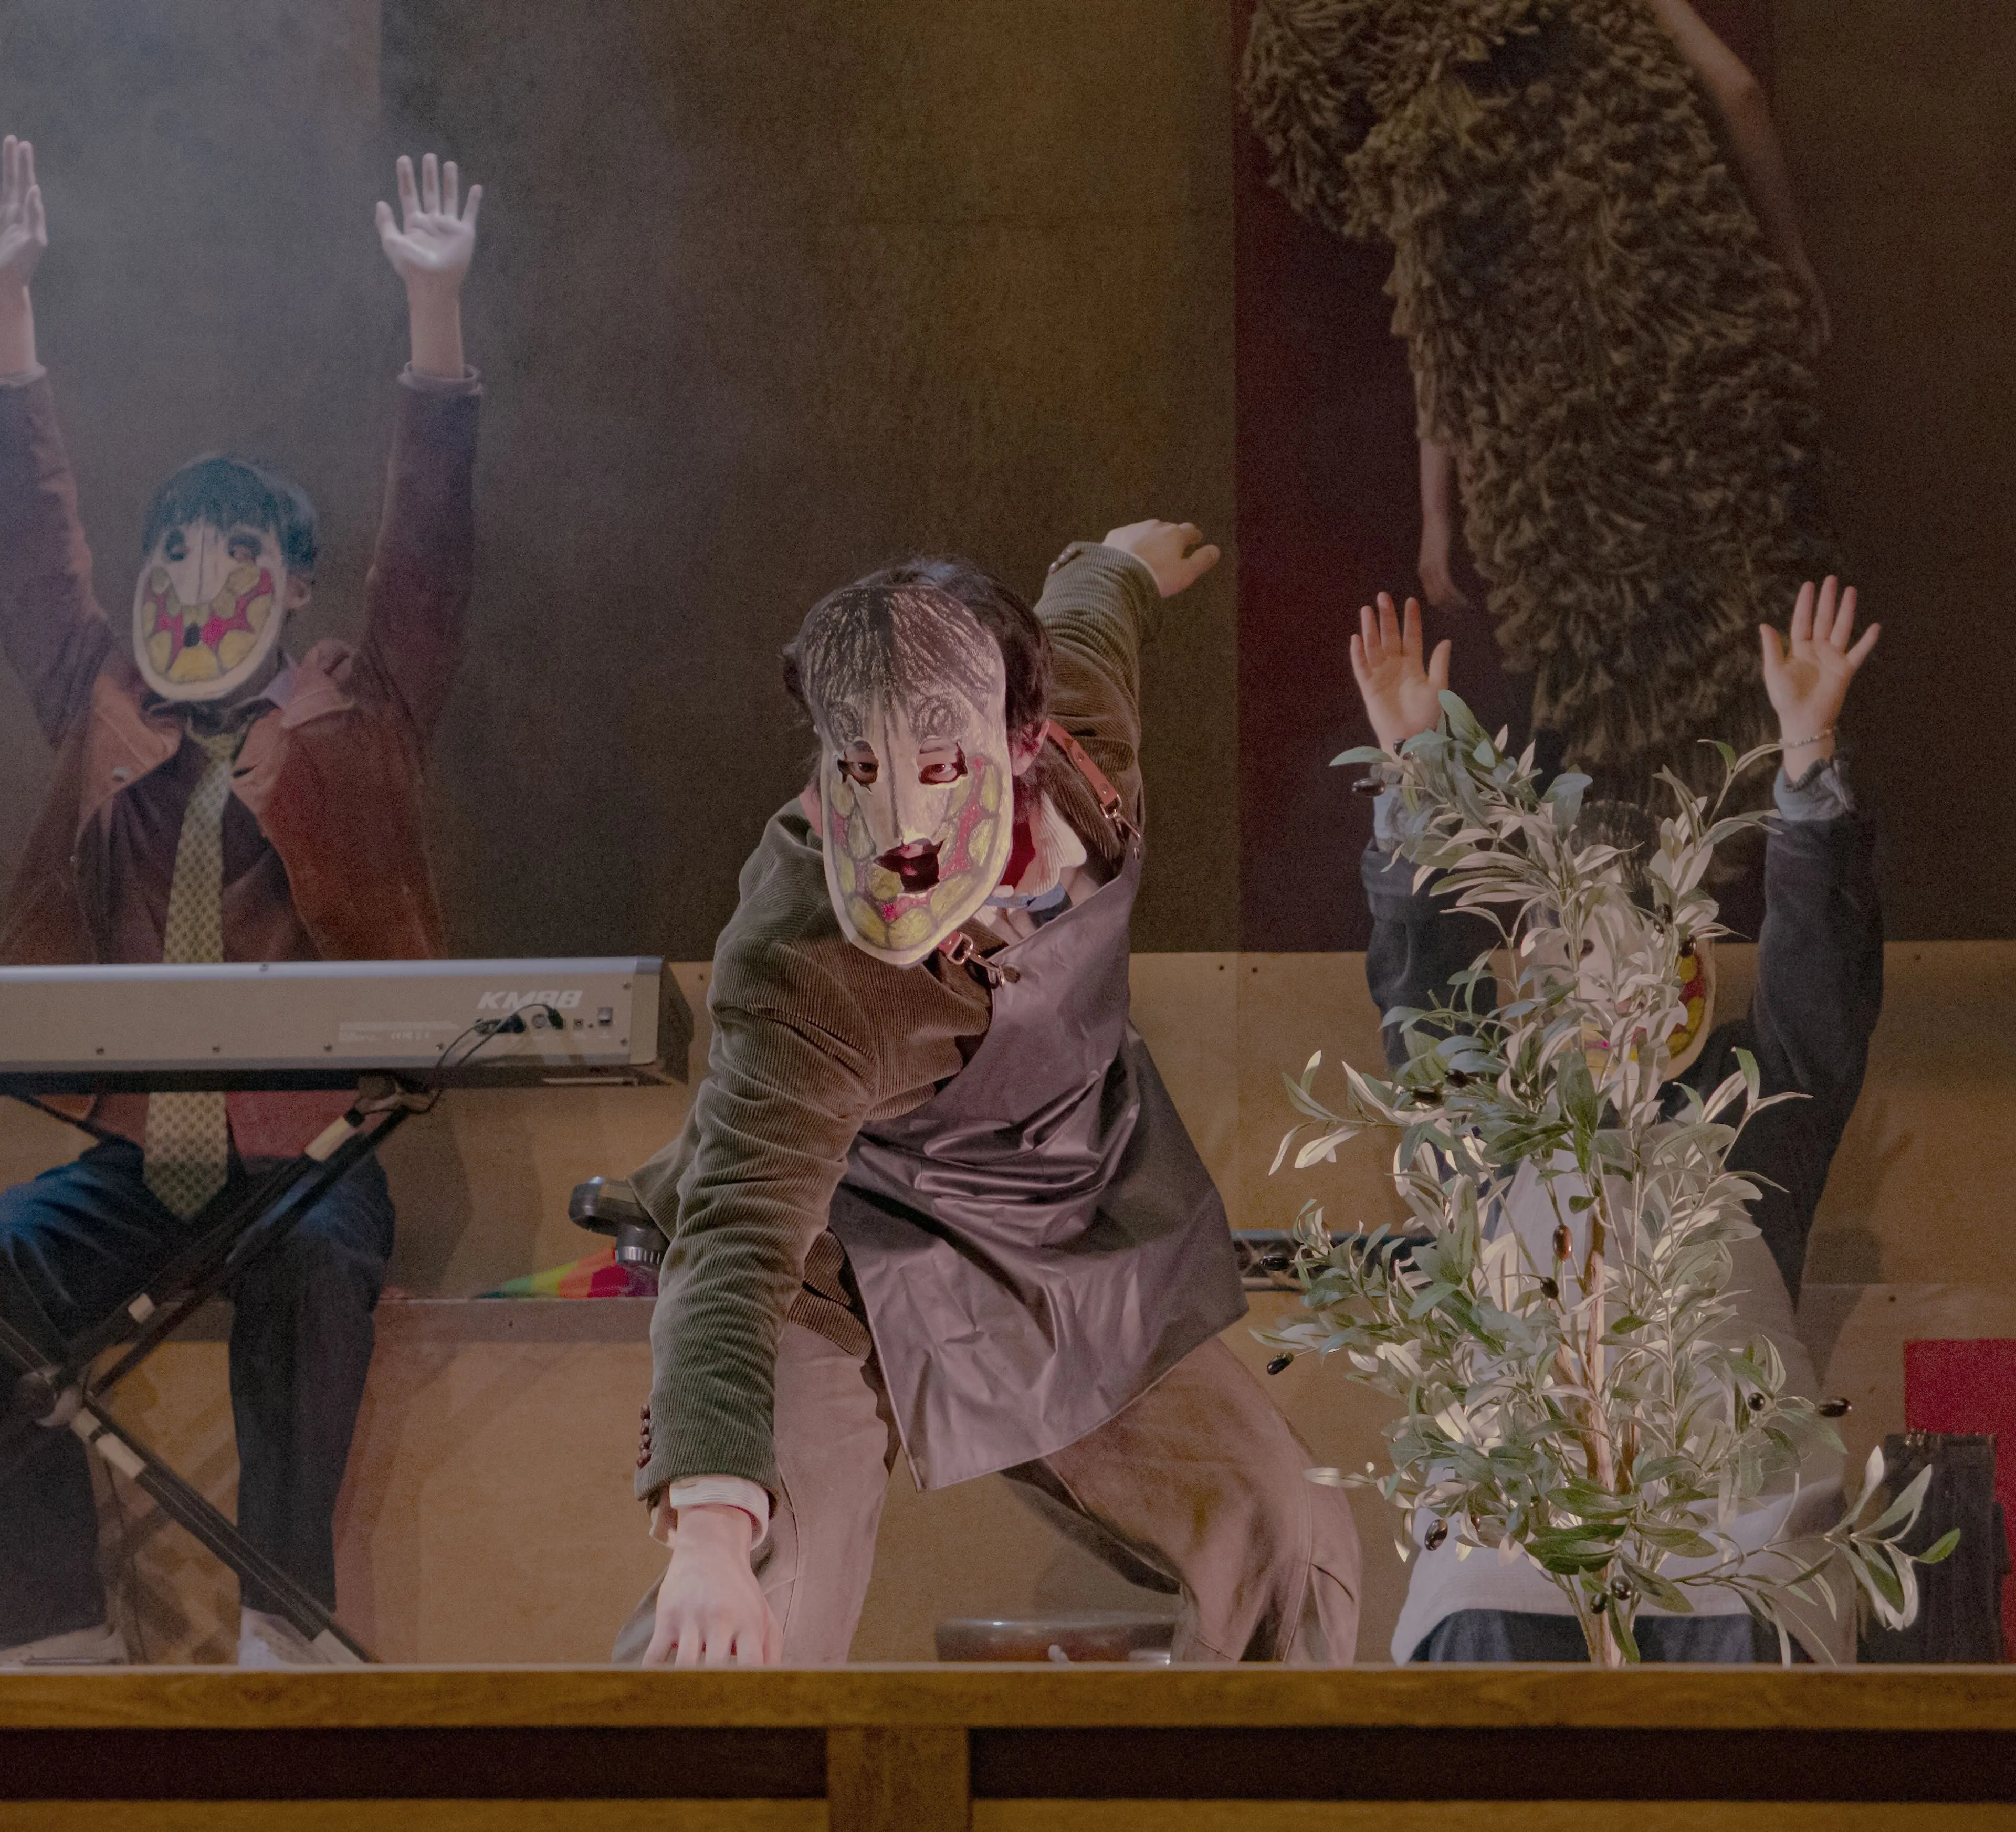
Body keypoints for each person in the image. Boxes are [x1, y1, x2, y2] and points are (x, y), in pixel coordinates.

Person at [0, 138, 486, 1668]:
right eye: (174, 544)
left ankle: (280, 1621)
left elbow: (429, 557)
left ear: (294, 588)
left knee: (309, 1254)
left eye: (236, 547)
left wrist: (434, 323)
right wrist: (5, 306)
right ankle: (45, 1632)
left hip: (296, 1150)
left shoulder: (355, 709)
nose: (194, 571)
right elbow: (31, 546)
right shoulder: (106, 704)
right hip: (136, 1157)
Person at [611, 528, 1361, 1666]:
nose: (901, 824)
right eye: (858, 770)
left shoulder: (1088, 745)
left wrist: (1119, 559)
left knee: (1284, 1536)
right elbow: (734, 1242)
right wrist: (710, 1535)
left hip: (1050, 1231)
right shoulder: (797, 954)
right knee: (755, 1619)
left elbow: (1091, 606)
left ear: (1023, 742)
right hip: (836, 1262)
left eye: (938, 766)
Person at [1348, 577, 1883, 1661]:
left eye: (1632, 946)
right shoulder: (1487, 1121)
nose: (1601, 983)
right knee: (1477, 1614)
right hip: (1518, 1538)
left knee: (1753, 1635)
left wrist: (1805, 760)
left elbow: (1821, 979)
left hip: (1736, 1533)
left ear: (1683, 962)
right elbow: (1417, 993)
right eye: (1569, 950)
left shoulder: (1753, 1111)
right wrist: (1412, 777)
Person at [1244, 0, 1835, 806]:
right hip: (1704, 376)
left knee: (1595, 709)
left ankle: (1600, 902)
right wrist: (1789, 257)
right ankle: (1778, 836)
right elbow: (1736, 92)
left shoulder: (1426, 96)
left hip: (1545, 454)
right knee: (1753, 667)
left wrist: (1436, 516)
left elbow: (1440, 321)